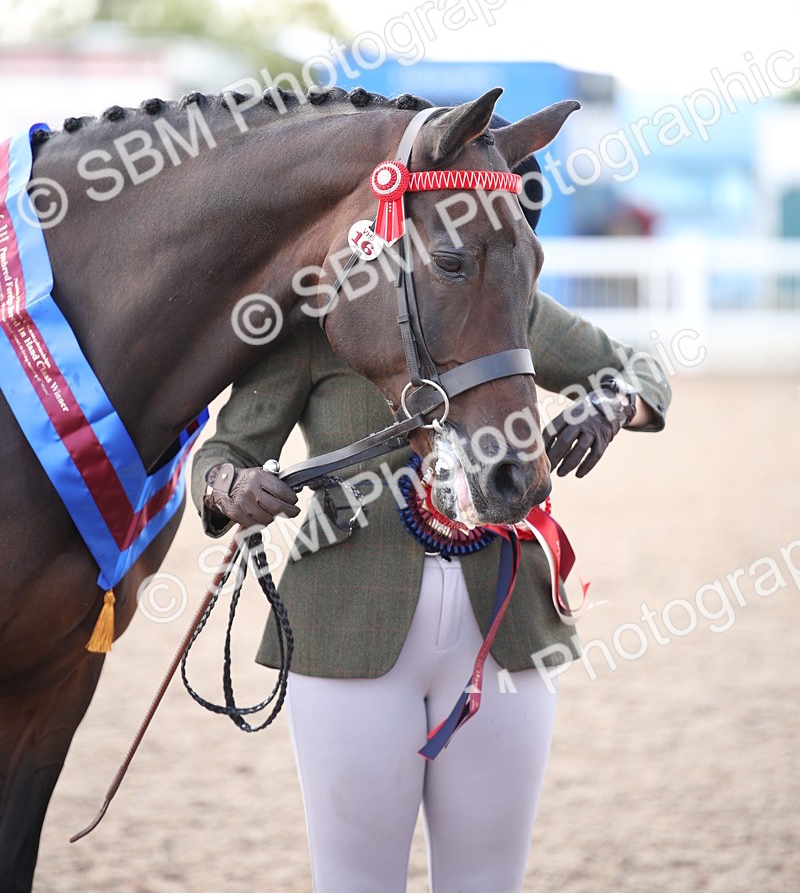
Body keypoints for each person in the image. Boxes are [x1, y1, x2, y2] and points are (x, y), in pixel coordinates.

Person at [189, 150, 671, 893]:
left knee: (488, 880)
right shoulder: (316, 321)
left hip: (505, 628)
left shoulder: (507, 306)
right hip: (345, 625)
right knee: (355, 882)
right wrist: (231, 485)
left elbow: (640, 369)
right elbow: (223, 449)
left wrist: (611, 404)